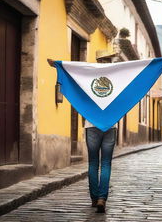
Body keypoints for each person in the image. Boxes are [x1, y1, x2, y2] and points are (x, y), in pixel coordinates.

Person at [47, 58, 117, 213]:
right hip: (110, 126)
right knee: (106, 164)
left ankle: (94, 198)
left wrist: (58, 65)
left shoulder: (88, 77)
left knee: (93, 163)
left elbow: (74, 75)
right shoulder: (116, 80)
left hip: (91, 126)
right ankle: (102, 198)